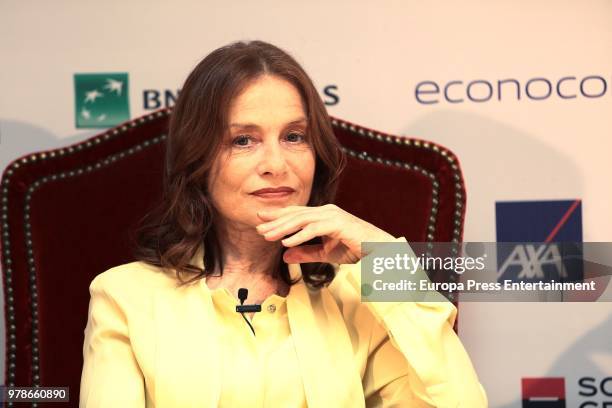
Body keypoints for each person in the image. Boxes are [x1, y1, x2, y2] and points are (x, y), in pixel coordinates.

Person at [79, 40, 487, 407]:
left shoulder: (358, 293)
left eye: (294, 137)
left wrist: (382, 257)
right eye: (243, 140)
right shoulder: (125, 297)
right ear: (197, 159)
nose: (276, 165)